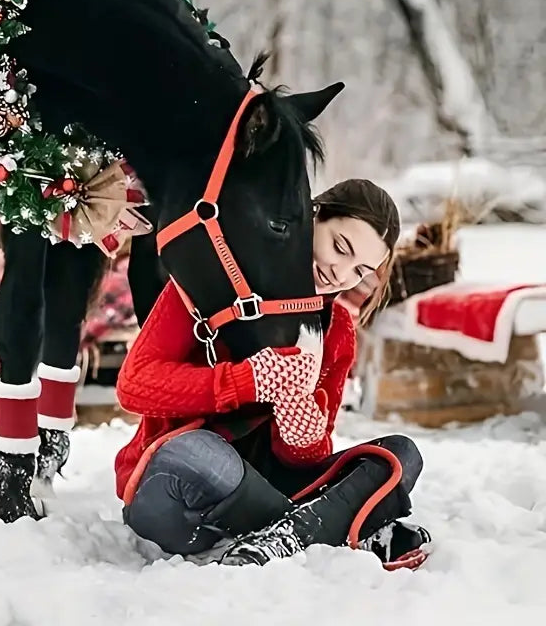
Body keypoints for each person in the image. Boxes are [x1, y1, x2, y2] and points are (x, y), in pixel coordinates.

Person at [114, 179, 431, 569]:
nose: (340, 273)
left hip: (273, 487)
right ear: (311, 215)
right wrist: (248, 380)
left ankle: (283, 537)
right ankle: (330, 529)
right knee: (195, 454)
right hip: (182, 494)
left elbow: (305, 461)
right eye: (340, 247)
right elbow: (134, 385)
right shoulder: (208, 280)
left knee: (400, 454)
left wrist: (301, 422)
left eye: (360, 270)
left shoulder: (337, 330)